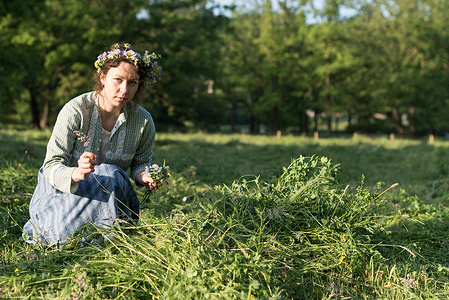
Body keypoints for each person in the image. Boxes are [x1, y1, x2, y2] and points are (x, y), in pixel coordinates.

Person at [23, 42, 163, 246]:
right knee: (56, 237)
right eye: (118, 80)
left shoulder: (142, 121)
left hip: (109, 197)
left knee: (111, 174)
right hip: (64, 193)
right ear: (103, 78)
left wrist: (144, 176)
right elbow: (51, 164)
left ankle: (108, 239)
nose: (124, 89)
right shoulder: (76, 111)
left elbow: (140, 162)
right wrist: (76, 174)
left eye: (132, 82)